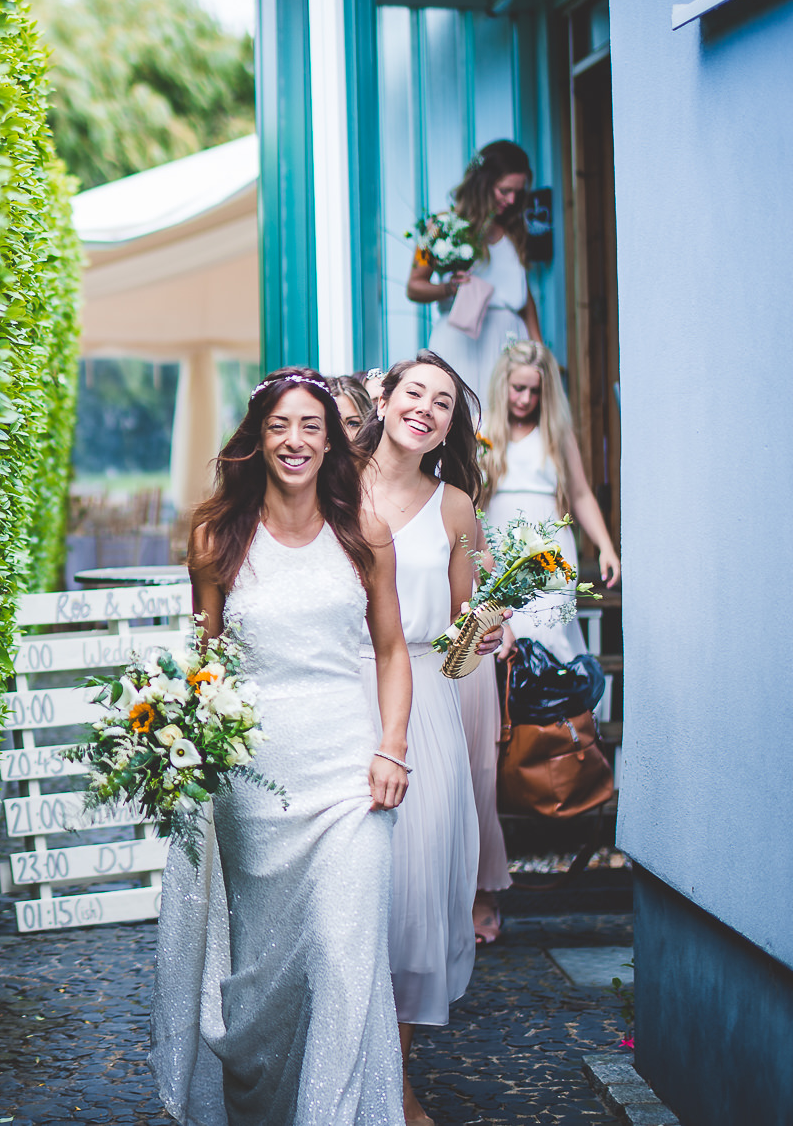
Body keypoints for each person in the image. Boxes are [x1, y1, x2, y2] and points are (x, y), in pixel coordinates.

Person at [155, 367, 415, 1126]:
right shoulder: (216, 538)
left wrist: (392, 746)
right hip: (252, 786)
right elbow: (205, 662)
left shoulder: (363, 533)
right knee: (266, 982)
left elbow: (393, 650)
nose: (295, 439)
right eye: (279, 426)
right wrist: (174, 734)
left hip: (350, 778)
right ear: (257, 439)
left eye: (311, 425)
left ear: (332, 438)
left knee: (342, 953)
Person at [358, 351, 507, 1124]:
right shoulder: (325, 487)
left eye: (443, 402)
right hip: (338, 702)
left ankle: (394, 1082)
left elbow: (458, 641)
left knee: (413, 914)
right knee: (348, 902)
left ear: (452, 424)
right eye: (414, 391)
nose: (425, 408)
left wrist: (487, 630)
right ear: (383, 397)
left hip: (426, 719)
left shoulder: (457, 510)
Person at [467, 339, 623, 944]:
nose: (526, 398)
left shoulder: (557, 437)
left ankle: (551, 765)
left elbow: (580, 493)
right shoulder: (486, 436)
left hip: (549, 564)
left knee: (546, 680)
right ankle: (504, 775)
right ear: (504, 385)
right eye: (518, 388)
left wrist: (606, 546)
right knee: (499, 675)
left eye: (535, 389)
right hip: (499, 559)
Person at [410, 141, 544, 402]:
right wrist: (449, 288)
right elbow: (414, 286)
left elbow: (525, 299)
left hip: (508, 342)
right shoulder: (440, 226)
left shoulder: (516, 231)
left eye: (518, 192)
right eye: (504, 190)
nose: (512, 200)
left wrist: (539, 353)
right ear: (482, 183)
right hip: (460, 340)